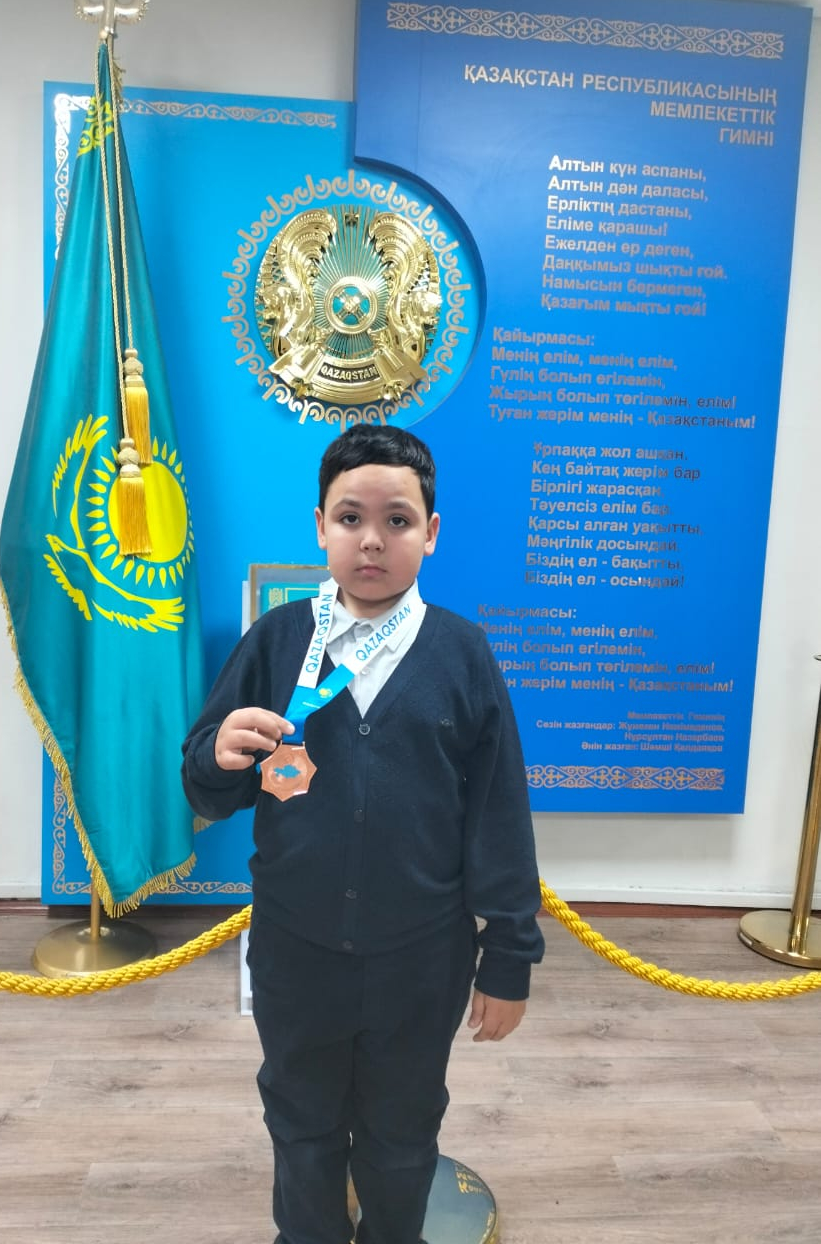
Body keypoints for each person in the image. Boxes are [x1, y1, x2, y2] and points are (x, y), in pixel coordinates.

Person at [181, 423, 544, 1244]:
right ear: (320, 526)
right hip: (295, 950)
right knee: (300, 1120)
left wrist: (508, 956)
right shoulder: (277, 640)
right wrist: (215, 754)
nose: (371, 540)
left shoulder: (463, 653)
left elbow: (498, 814)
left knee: (402, 1128)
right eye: (350, 518)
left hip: (421, 959)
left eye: (396, 520)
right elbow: (208, 785)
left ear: (430, 533)